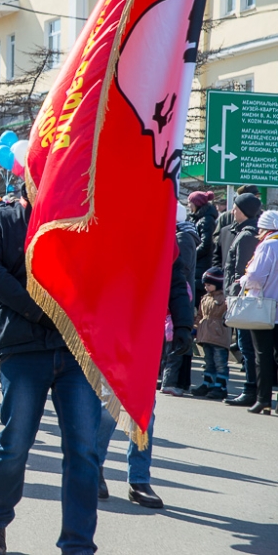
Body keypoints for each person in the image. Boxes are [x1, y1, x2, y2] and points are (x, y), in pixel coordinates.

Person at [0, 187, 101, 555]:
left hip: (76, 349)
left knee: (84, 449)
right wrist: (41, 310)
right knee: (15, 442)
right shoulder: (3, 218)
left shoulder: (82, 218)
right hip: (23, 347)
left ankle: (78, 544)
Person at [96, 213, 196, 511]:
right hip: (112, 329)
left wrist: (182, 325)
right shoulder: (113, 227)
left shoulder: (165, 239)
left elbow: (177, 284)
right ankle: (93, 467)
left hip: (147, 333)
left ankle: (138, 480)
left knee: (144, 410)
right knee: (109, 406)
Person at [224, 192, 262, 407]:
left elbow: (241, 270)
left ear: (244, 211)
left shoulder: (247, 235)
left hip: (244, 300)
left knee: (246, 346)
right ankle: (252, 389)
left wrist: (233, 291)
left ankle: (251, 389)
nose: (232, 211)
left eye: (236, 208)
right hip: (242, 298)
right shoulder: (243, 231)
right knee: (245, 345)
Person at [160, 207, 200, 396]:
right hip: (178, 298)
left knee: (173, 345)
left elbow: (178, 276)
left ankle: (171, 381)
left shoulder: (182, 238)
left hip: (179, 300)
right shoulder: (182, 235)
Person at [242, 209, 278, 414]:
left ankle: (263, 399)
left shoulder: (267, 245)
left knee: (262, 355)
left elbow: (255, 275)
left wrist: (244, 281)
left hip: (263, 309)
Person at [191, 267, 229, 399]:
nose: (206, 287)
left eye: (209, 284)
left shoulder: (224, 298)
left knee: (219, 361)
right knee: (208, 360)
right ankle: (208, 383)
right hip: (205, 334)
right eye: (205, 285)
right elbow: (200, 315)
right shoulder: (205, 298)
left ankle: (221, 386)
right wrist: (195, 327)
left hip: (218, 334)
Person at [188, 190, 219, 299]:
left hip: (202, 264)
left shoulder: (206, 220)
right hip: (199, 263)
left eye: (190, 202)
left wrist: (191, 255)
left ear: (197, 203)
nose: (189, 205)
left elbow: (206, 244)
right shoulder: (198, 218)